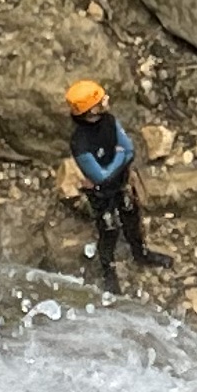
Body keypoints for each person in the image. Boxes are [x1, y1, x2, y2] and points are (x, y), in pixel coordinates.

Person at [65, 78, 147, 289]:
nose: (106, 100)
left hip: (121, 184)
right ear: (90, 110)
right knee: (109, 230)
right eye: (100, 100)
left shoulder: (109, 121)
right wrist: (119, 159)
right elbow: (100, 176)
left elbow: (128, 149)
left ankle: (141, 253)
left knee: (131, 216)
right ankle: (108, 271)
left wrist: (118, 162)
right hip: (102, 194)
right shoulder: (80, 142)